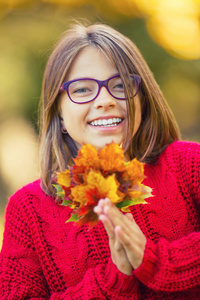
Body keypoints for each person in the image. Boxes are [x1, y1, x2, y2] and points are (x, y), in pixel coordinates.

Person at [0, 22, 200, 300]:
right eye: (82, 90)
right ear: (58, 111)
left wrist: (154, 262)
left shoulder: (187, 164)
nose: (105, 100)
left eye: (120, 85)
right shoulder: (28, 211)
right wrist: (114, 281)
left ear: (142, 98)